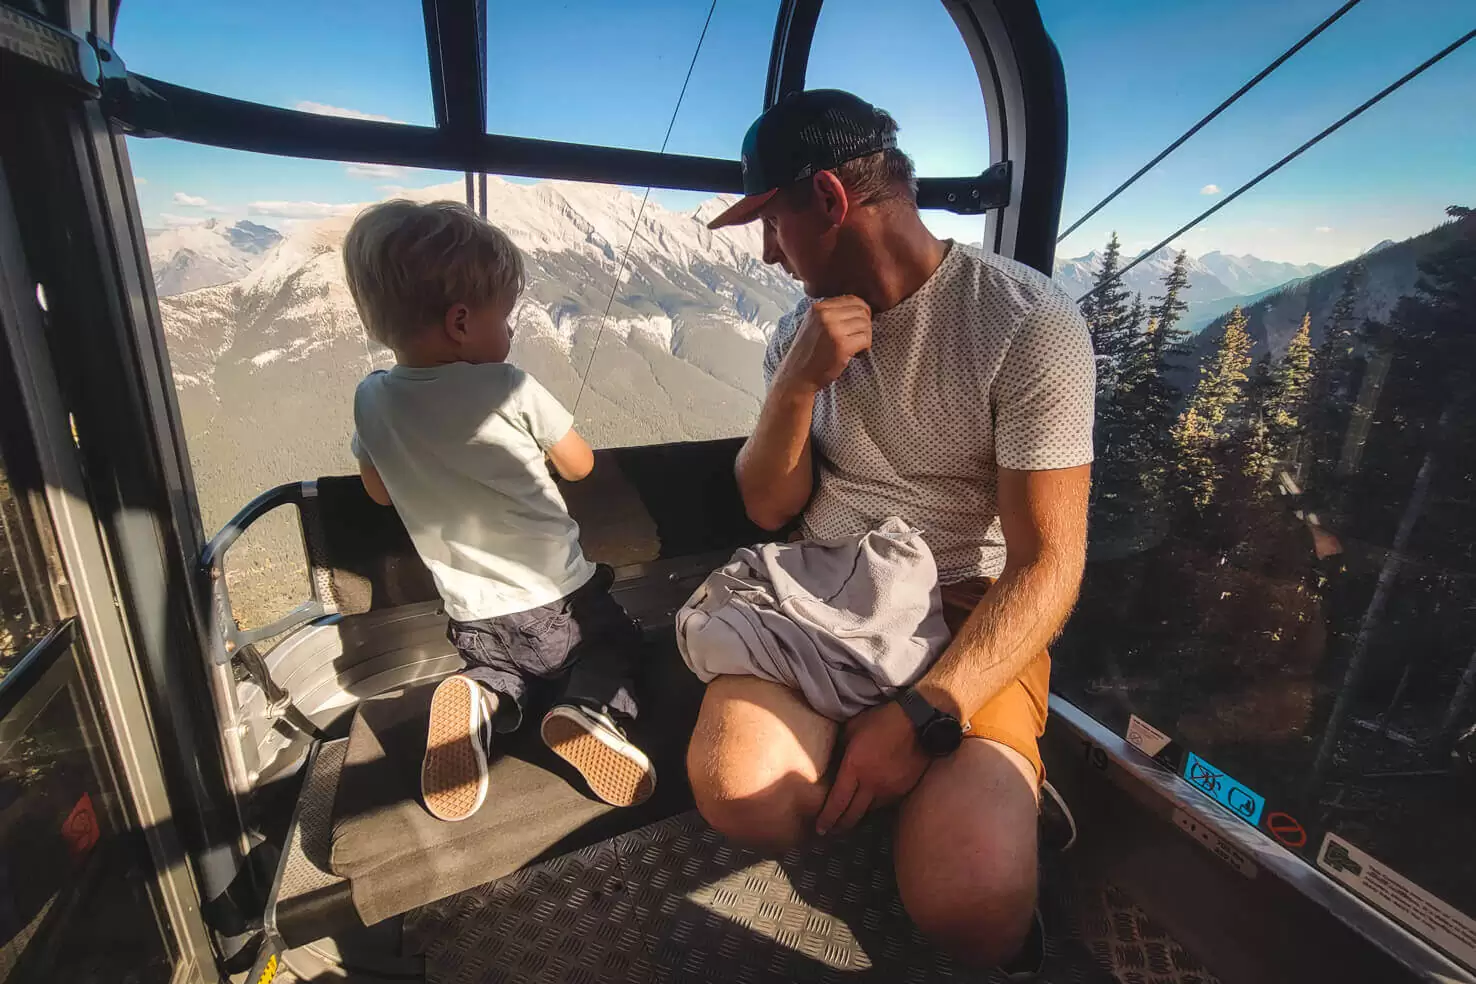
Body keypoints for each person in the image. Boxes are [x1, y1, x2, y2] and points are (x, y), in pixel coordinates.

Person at [687, 90, 1095, 968]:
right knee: (741, 797)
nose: (767, 252)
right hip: (821, 582)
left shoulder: (1023, 323)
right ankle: (922, 786)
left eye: (771, 222)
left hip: (959, 608)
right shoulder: (801, 332)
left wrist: (924, 713)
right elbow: (766, 506)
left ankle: (952, 785)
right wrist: (797, 384)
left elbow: (1048, 565)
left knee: (973, 903)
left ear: (830, 201)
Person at [343, 199, 655, 823]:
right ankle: (589, 709)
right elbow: (580, 465)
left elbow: (378, 492)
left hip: (470, 615)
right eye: (505, 318)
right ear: (461, 321)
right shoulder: (509, 386)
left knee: (503, 670)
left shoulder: (370, 397)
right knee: (613, 648)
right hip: (558, 598)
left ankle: (480, 696)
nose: (511, 332)